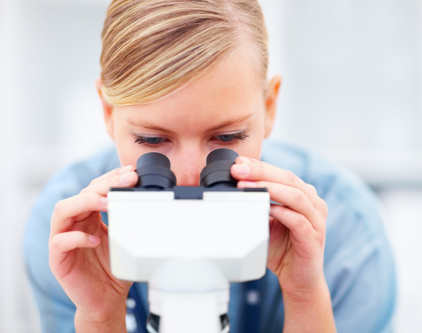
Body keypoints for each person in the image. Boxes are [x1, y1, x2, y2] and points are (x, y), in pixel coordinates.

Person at [23, 0, 396, 332]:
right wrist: (100, 317)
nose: (188, 177)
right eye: (152, 142)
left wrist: (305, 296)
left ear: (268, 108)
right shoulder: (72, 233)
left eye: (228, 138)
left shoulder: (348, 233)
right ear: (108, 112)